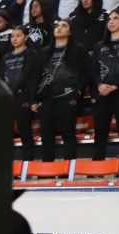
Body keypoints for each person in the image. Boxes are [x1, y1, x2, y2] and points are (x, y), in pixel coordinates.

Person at [33, 18, 89, 162]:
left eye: (63, 26)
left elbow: (87, 73)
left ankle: (68, 169)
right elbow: (37, 76)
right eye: (57, 26)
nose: (59, 28)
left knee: (68, 134)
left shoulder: (78, 49)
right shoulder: (44, 52)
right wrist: (35, 99)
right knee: (46, 135)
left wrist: (78, 92)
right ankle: (47, 168)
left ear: (70, 32)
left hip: (68, 95)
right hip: (47, 97)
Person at [90, 8, 119, 161]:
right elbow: (93, 70)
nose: (111, 21)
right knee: (100, 133)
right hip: (102, 92)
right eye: (109, 19)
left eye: (115, 18)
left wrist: (115, 86)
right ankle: (97, 167)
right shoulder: (99, 45)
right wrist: (99, 85)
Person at [4, 25, 42, 161]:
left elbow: (30, 76)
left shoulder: (31, 54)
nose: (14, 39)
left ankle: (28, 165)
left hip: (23, 97)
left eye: (18, 36)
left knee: (25, 133)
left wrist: (32, 99)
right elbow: (1, 76)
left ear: (26, 38)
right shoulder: (6, 56)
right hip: (8, 98)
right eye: (12, 36)